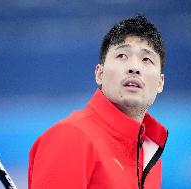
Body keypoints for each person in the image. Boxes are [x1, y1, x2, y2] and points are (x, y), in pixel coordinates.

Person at [28, 15, 168, 189]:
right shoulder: (70, 137)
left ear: (160, 83)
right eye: (122, 55)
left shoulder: (150, 156)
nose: (134, 67)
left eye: (146, 59)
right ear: (99, 74)